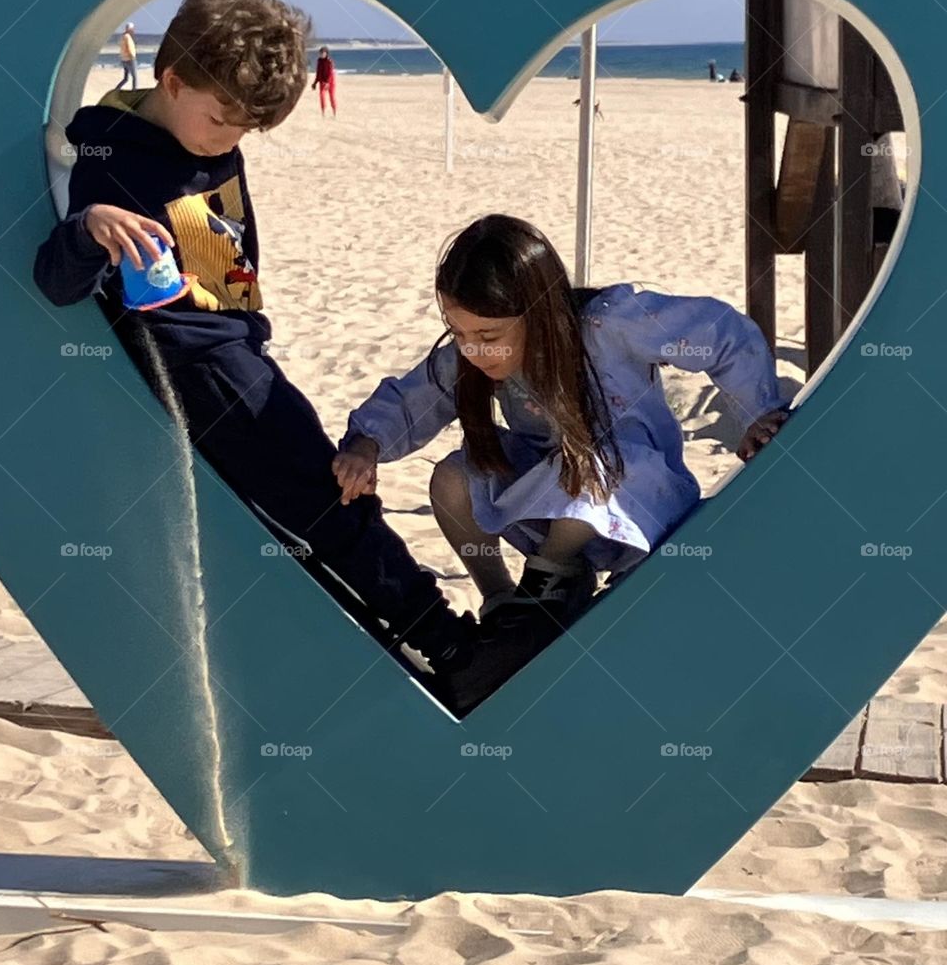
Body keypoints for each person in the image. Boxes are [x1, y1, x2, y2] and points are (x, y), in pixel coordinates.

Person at [33, 0, 479, 709]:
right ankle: (443, 640)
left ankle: (430, 637)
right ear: (172, 80)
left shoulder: (201, 132)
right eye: (222, 121)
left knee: (327, 492)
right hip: (192, 370)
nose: (230, 141)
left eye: (248, 130)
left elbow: (229, 262)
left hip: (238, 351)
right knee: (314, 499)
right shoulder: (114, 155)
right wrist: (88, 232)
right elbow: (56, 282)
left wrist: (254, 336)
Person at [334, 214, 792, 690]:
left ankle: (546, 589)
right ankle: (506, 606)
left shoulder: (609, 323)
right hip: (553, 505)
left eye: (489, 337)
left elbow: (719, 332)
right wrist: (367, 443)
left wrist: (758, 410)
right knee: (453, 476)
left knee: (590, 467)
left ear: (540, 312)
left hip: (638, 497)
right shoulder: (473, 355)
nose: (473, 351)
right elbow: (414, 398)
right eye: (459, 333)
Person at [312, 46, 337, 116]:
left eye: (323, 53)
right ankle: (323, 113)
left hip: (330, 82)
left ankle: (334, 113)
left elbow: (330, 73)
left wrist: (328, 83)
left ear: (326, 53)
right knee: (322, 96)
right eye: (320, 53)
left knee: (332, 97)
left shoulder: (329, 61)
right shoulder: (319, 61)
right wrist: (315, 83)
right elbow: (318, 72)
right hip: (322, 82)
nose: (321, 54)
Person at [118, 22, 137, 90]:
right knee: (134, 77)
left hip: (124, 59)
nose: (133, 30)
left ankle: (117, 89)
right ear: (129, 29)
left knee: (125, 78)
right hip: (130, 59)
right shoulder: (127, 37)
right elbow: (129, 47)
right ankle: (134, 91)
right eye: (132, 29)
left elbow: (122, 48)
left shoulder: (123, 36)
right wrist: (132, 56)